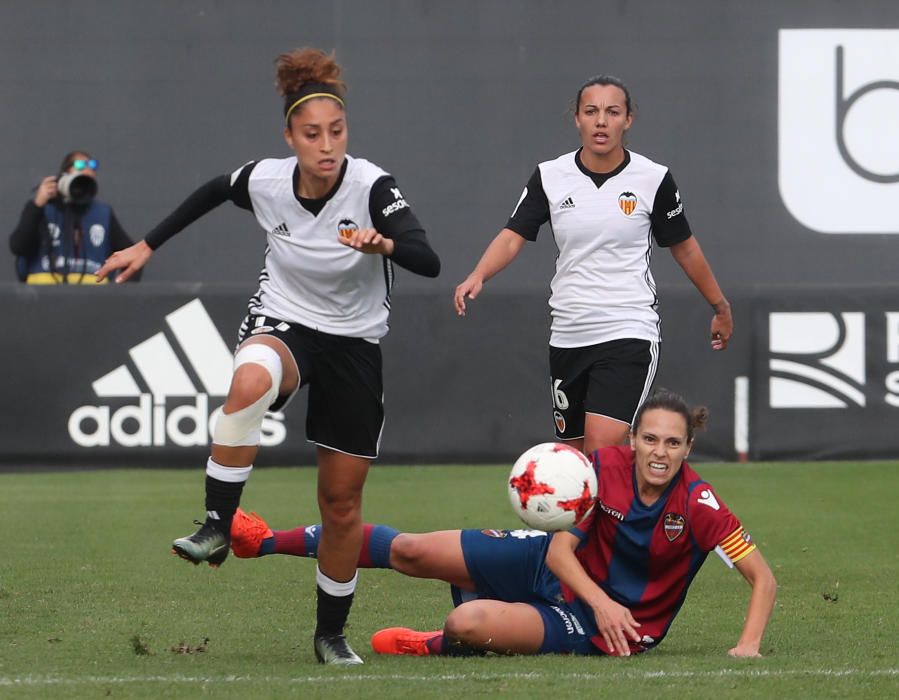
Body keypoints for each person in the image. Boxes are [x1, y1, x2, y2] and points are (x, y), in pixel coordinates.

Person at [95, 47, 440, 665]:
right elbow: (210, 192)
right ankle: (217, 524)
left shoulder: (370, 186)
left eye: (337, 132)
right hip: (286, 319)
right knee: (250, 380)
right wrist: (146, 246)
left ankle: (330, 635)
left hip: (355, 343)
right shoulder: (266, 179)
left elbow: (428, 258)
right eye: (312, 134)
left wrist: (382, 242)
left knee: (340, 506)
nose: (327, 145)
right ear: (290, 137)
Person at [229, 391, 776, 658]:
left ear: (689, 448)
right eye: (650, 439)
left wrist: (748, 644)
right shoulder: (602, 468)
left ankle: (441, 644)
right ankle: (267, 541)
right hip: (549, 564)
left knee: (468, 622)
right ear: (633, 441)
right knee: (413, 550)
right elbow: (561, 553)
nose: (660, 452)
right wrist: (599, 593)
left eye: (673, 443)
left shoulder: (700, 505)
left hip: (604, 628)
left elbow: (763, 579)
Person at [453, 76, 733, 456]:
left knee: (601, 451)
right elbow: (513, 236)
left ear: (628, 120)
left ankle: (642, 512)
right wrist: (478, 274)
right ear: (577, 120)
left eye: (612, 112)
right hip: (568, 334)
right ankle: (611, 515)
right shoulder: (550, 176)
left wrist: (719, 306)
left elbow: (684, 248)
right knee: (574, 462)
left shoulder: (653, 179)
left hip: (628, 328)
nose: (601, 121)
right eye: (592, 111)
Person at [9, 151, 139, 284]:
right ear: (64, 175)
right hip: (43, 298)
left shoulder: (102, 213)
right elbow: (18, 246)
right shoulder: (42, 209)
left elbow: (133, 256)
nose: (87, 170)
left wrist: (120, 294)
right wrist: (37, 205)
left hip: (92, 300)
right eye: (80, 166)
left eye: (91, 167)